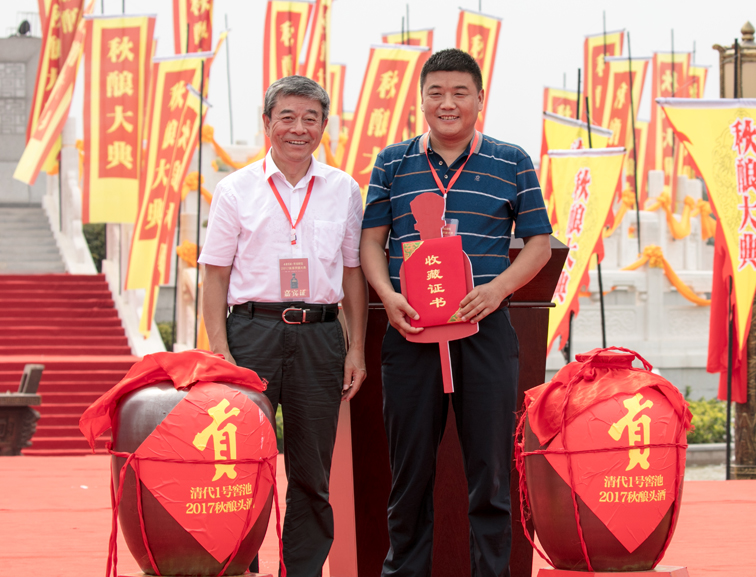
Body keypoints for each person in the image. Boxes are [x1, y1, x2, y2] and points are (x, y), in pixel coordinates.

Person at [360, 49, 552, 577]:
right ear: (421, 99)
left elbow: (538, 243)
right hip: (411, 331)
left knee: (491, 474)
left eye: (460, 92)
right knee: (409, 475)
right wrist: (388, 296)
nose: (447, 103)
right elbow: (371, 243)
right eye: (436, 92)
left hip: (485, 332)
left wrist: (497, 290)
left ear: (479, 99)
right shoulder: (392, 162)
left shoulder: (511, 160)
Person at [199, 75, 367, 577]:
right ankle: (240, 566)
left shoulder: (344, 189)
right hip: (253, 332)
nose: (299, 128)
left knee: (312, 470)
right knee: (242, 465)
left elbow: (353, 273)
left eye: (310, 118)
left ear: (324, 125)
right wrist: (220, 351)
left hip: (320, 335)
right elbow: (215, 274)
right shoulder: (235, 189)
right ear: (267, 122)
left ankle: (302, 570)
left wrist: (355, 348)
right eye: (287, 117)